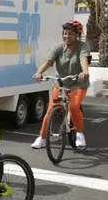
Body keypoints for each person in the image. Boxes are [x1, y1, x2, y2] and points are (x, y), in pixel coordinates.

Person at [31, 20, 90, 149]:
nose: (66, 36)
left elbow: (83, 59)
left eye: (70, 34)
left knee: (74, 107)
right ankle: (41, 137)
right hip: (61, 82)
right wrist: (39, 73)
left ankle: (79, 134)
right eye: (65, 33)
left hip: (78, 83)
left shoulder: (82, 46)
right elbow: (48, 61)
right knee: (50, 110)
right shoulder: (58, 48)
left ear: (77, 35)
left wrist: (84, 72)